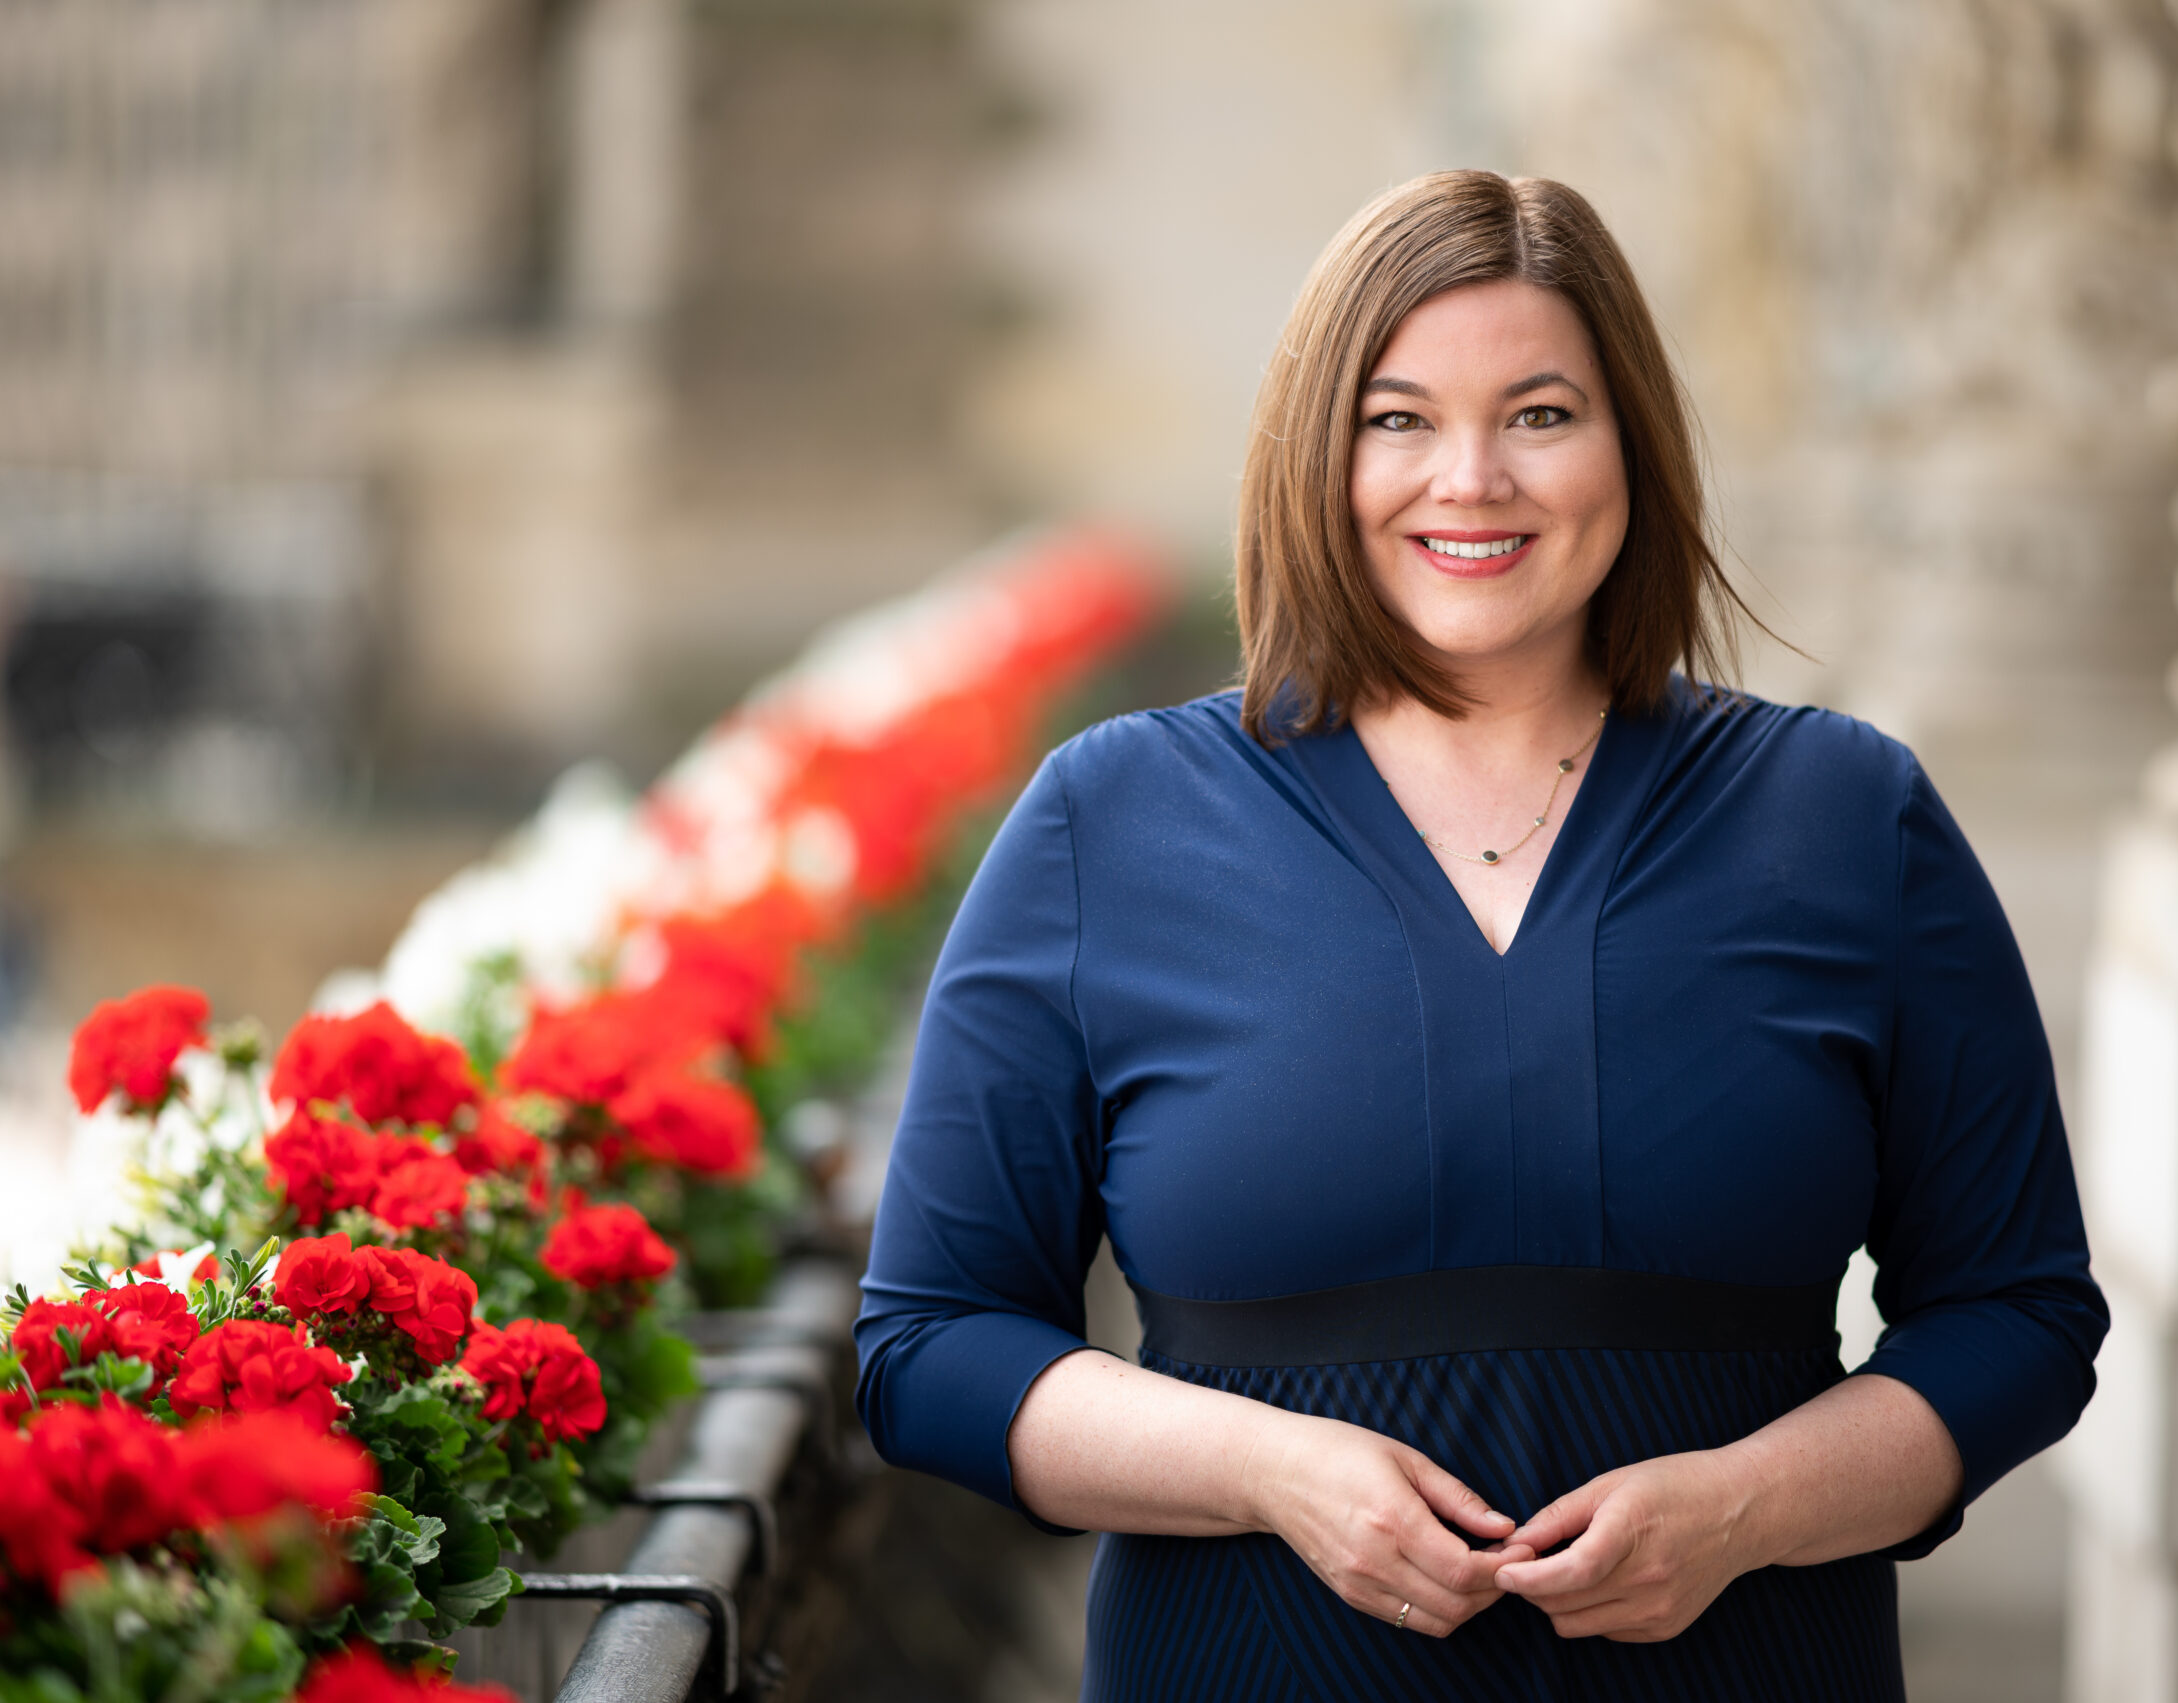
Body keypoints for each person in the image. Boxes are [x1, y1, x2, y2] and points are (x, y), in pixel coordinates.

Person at [854, 170, 2105, 1701]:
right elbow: (931, 1346)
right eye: (1398, 419)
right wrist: (1265, 1470)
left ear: (1630, 445)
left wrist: (1744, 1510)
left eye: (1541, 414)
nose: (1472, 479)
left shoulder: (1844, 815)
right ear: (1318, 457)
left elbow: (2019, 1315)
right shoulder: (1107, 823)